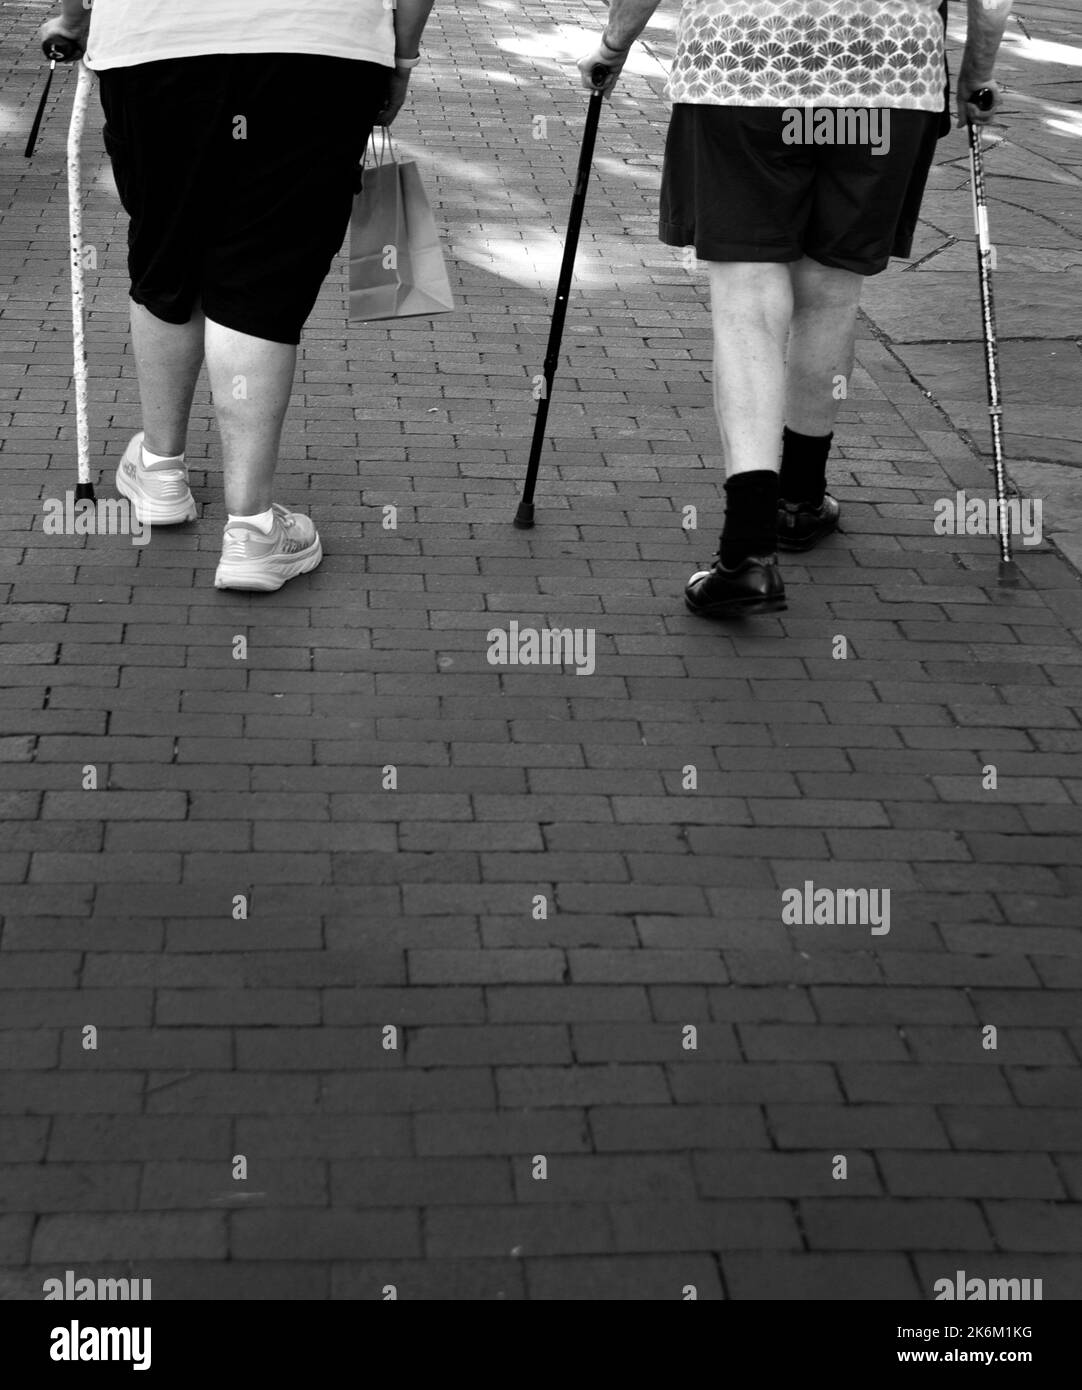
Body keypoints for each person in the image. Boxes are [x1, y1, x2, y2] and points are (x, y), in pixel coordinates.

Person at [579, 0, 1014, 617]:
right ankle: (800, 500)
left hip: (744, 70)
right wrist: (977, 75)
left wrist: (614, 43)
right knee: (831, 293)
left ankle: (748, 554)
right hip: (885, 76)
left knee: (748, 303)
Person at [38, 0, 435, 592]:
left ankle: (160, 470)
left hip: (156, 43)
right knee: (263, 277)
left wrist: (72, 20)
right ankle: (251, 529)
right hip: (319, 46)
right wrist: (400, 58)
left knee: (167, 253)